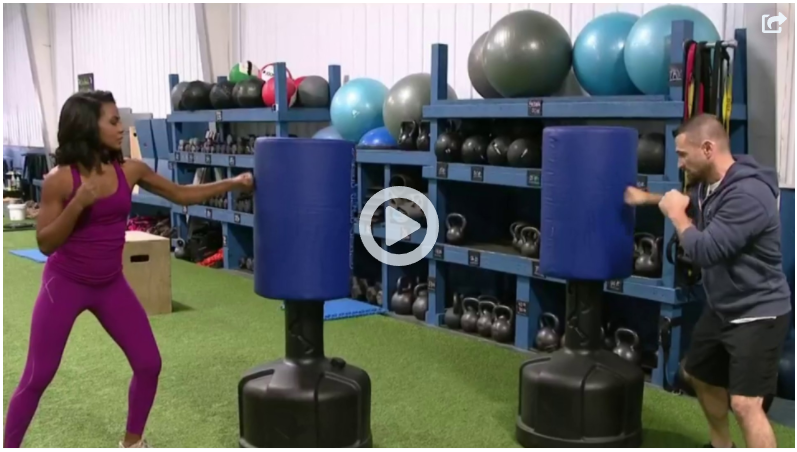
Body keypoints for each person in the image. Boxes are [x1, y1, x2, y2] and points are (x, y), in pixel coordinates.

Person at [3, 90, 254, 448]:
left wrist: (233, 182)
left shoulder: (130, 170)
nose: (122, 127)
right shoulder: (61, 179)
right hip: (65, 283)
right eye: (114, 120)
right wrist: (78, 204)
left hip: (109, 285)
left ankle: (132, 443)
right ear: (89, 127)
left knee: (149, 364)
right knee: (37, 376)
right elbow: (45, 242)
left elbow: (181, 195)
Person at [625, 113, 792, 448]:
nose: (680, 163)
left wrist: (675, 215)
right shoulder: (710, 186)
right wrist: (650, 199)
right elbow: (691, 205)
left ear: (707, 148)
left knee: (746, 404)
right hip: (723, 308)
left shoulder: (748, 194)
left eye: (683, 155)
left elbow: (704, 251)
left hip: (757, 313)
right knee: (698, 375)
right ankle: (721, 445)